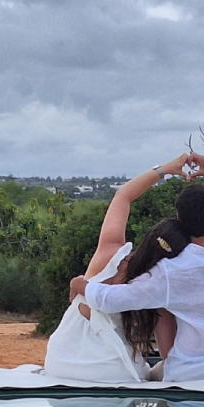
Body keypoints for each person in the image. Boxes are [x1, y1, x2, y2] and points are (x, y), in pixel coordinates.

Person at [72, 153, 204, 382]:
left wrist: (81, 285)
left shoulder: (169, 271)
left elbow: (110, 300)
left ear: (178, 219)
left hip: (187, 379)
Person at [43, 155, 190, 381]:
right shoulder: (159, 287)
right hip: (115, 373)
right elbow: (169, 355)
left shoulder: (109, 255)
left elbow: (123, 195)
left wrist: (166, 169)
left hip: (61, 363)